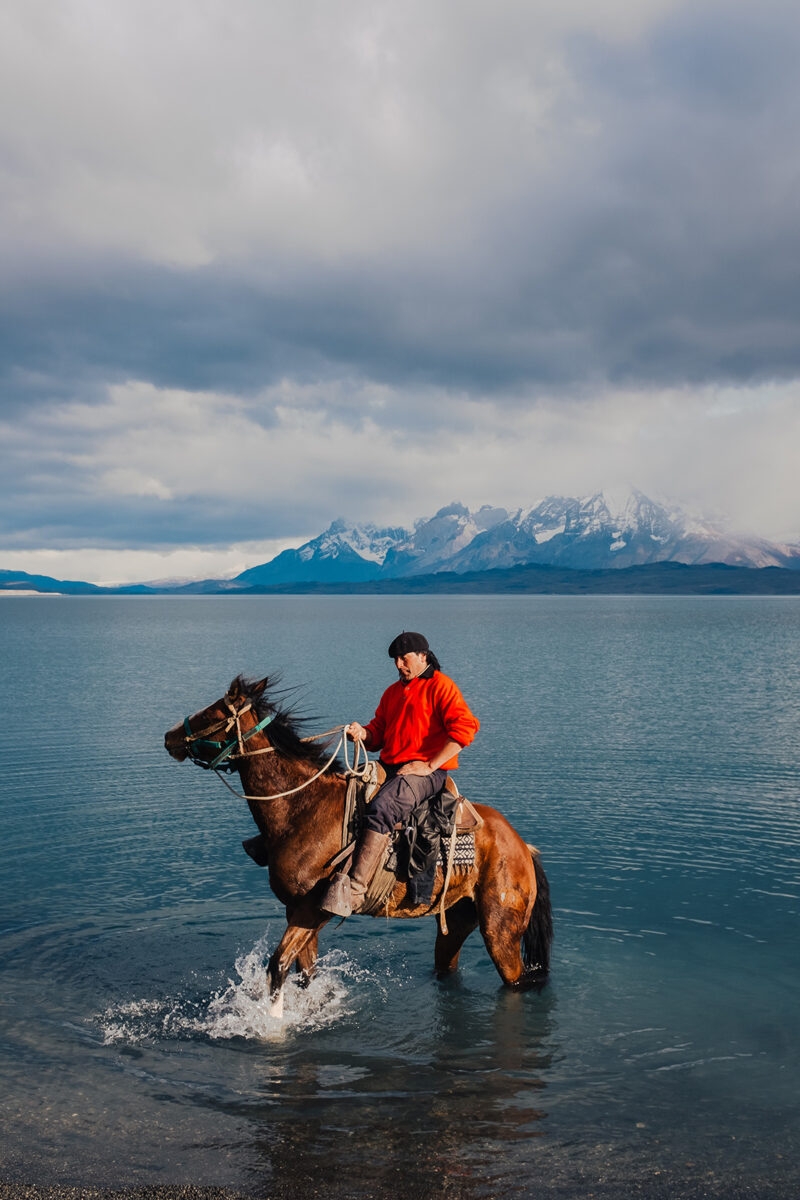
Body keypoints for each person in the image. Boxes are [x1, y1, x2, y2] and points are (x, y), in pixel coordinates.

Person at [320, 631, 480, 917]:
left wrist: (430, 765)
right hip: (390, 766)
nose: (398, 664)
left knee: (383, 807)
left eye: (404, 658)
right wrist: (362, 733)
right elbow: (377, 735)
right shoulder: (392, 692)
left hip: (427, 773)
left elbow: (466, 729)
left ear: (423, 656)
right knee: (338, 789)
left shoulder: (442, 687)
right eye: (395, 659)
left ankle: (355, 891)